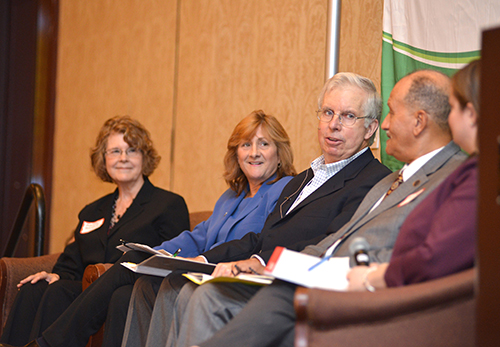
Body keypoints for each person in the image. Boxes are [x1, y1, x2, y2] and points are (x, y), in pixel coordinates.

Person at [175, 69, 469, 347]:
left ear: (418, 122)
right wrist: (289, 266)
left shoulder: (452, 177)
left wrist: (361, 274)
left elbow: (423, 252)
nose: (388, 124)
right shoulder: (391, 179)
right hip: (311, 274)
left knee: (232, 296)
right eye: (328, 113)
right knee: (195, 290)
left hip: (359, 289)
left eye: (390, 112)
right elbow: (335, 240)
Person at [120, 72, 392, 347]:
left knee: (204, 295)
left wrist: (260, 264)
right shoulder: (302, 180)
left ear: (370, 129)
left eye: (347, 116)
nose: (333, 125)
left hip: (296, 286)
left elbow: (332, 245)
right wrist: (203, 261)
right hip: (263, 275)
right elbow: (261, 238)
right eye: (328, 112)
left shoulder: (373, 181)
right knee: (171, 285)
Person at [0, 110, 296, 347]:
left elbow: (257, 241)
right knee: (124, 277)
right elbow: (198, 236)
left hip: (230, 274)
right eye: (246, 144)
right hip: (199, 269)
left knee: (125, 273)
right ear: (236, 153)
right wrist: (154, 252)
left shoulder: (284, 191)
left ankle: (53, 342)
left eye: (264, 144)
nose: (254, 152)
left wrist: (200, 258)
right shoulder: (231, 196)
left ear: (279, 153)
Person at [0, 116, 190, 346]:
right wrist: (55, 274)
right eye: (115, 151)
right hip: (85, 289)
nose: (123, 158)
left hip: (127, 288)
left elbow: (172, 259)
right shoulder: (92, 211)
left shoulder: (168, 204)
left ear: (144, 157)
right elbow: (72, 260)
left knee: (58, 292)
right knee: (36, 288)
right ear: (103, 158)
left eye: (132, 150)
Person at [347, 60, 479, 291]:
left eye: (453, 107)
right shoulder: (474, 170)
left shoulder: (472, 175)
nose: (447, 118)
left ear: (471, 114)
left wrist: (371, 277)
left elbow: (433, 257)